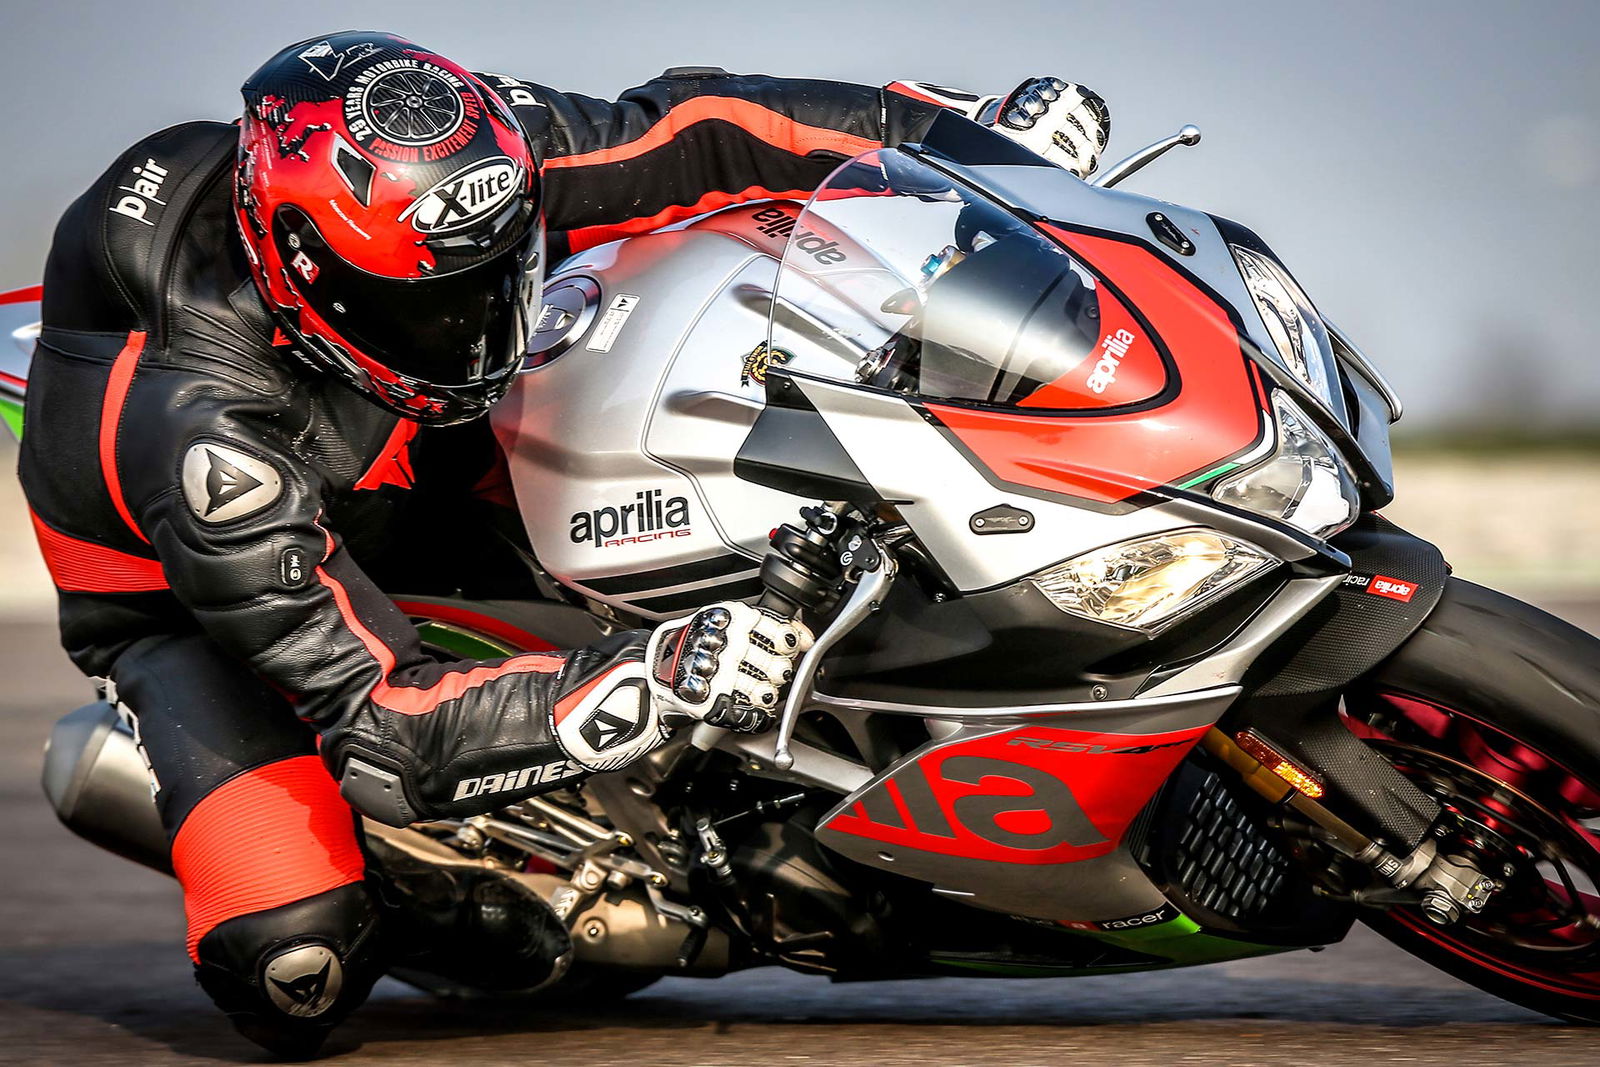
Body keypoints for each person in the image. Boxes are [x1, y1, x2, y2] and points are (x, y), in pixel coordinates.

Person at [18, 30, 1110, 1055]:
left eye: (496, 274)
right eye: (432, 306)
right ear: (301, 269)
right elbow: (384, 726)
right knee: (293, 970)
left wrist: (959, 132)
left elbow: (700, 130)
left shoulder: (467, 156)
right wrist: (661, 673)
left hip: (407, 436)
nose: (476, 323)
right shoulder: (204, 435)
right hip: (194, 597)